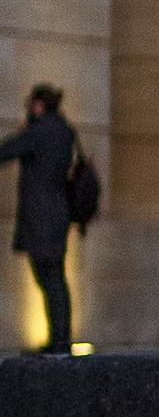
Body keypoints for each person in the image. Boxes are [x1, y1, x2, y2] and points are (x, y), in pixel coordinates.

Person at [0, 86, 84, 354]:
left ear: (38, 105)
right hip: (57, 212)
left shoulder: (40, 131)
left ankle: (58, 339)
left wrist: (27, 130)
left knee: (48, 277)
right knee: (55, 276)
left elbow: (8, 151)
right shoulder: (63, 129)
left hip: (41, 215)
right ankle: (61, 337)